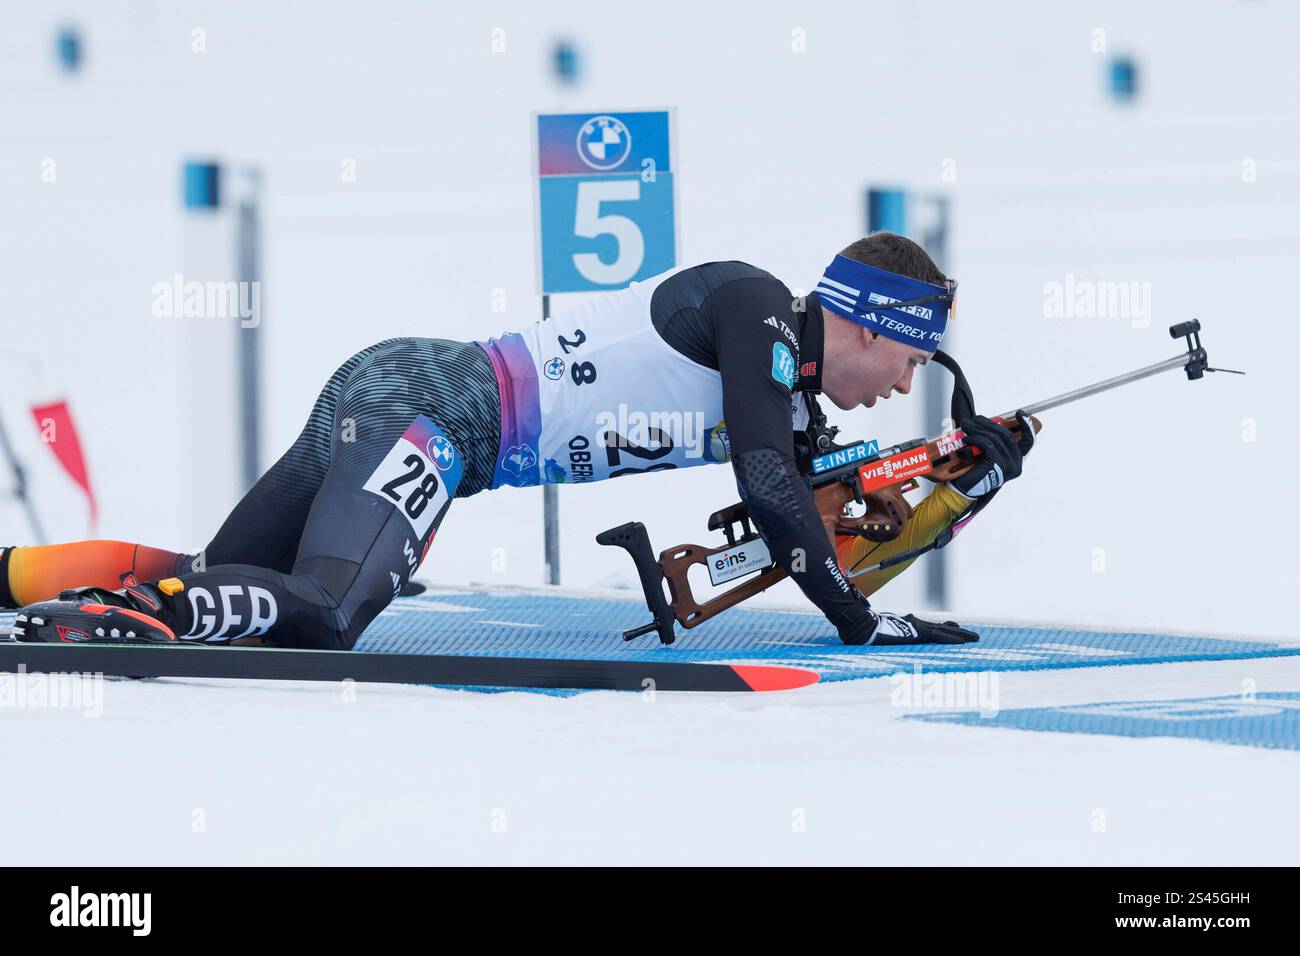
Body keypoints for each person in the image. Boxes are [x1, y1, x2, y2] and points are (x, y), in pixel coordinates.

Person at [2, 232, 1031, 649]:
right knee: (324, 614)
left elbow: (831, 523)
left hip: (401, 389)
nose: (906, 381)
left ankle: (20, 579)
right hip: (435, 412)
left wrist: (969, 473)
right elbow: (769, 487)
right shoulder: (758, 310)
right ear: (864, 322)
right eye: (908, 358)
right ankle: (122, 618)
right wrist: (856, 624)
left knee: (221, 576)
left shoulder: (783, 390)